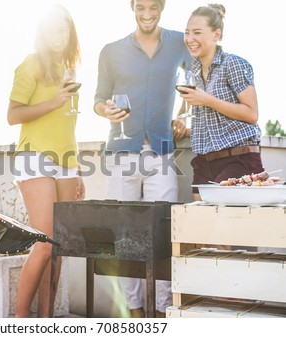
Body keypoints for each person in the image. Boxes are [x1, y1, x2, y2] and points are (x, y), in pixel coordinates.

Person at [93, 0, 191, 318]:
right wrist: (104, 109)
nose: (147, 14)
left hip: (162, 152)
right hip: (122, 151)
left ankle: (162, 312)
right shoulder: (111, 51)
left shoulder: (179, 42)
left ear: (162, 7)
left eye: (154, 8)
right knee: (124, 237)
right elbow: (98, 99)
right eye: (141, 8)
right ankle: (135, 311)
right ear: (131, 7)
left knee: (163, 234)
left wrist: (184, 116)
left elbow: (199, 80)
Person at [7, 4, 85, 317]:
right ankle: (21, 321)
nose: (57, 35)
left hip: (66, 161)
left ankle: (46, 319)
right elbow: (13, 115)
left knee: (59, 246)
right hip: (34, 156)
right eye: (51, 28)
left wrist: (77, 170)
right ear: (42, 32)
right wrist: (55, 101)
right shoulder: (31, 63)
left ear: (69, 34)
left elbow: (68, 123)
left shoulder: (69, 70)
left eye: (62, 29)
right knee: (44, 242)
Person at [174, 4, 264, 201]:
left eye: (197, 32)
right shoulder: (192, 72)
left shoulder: (234, 64)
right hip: (203, 163)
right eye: (187, 33)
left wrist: (207, 99)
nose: (190, 39)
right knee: (201, 223)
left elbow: (251, 114)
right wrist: (181, 123)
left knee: (225, 222)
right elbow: (192, 116)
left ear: (216, 35)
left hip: (238, 159)